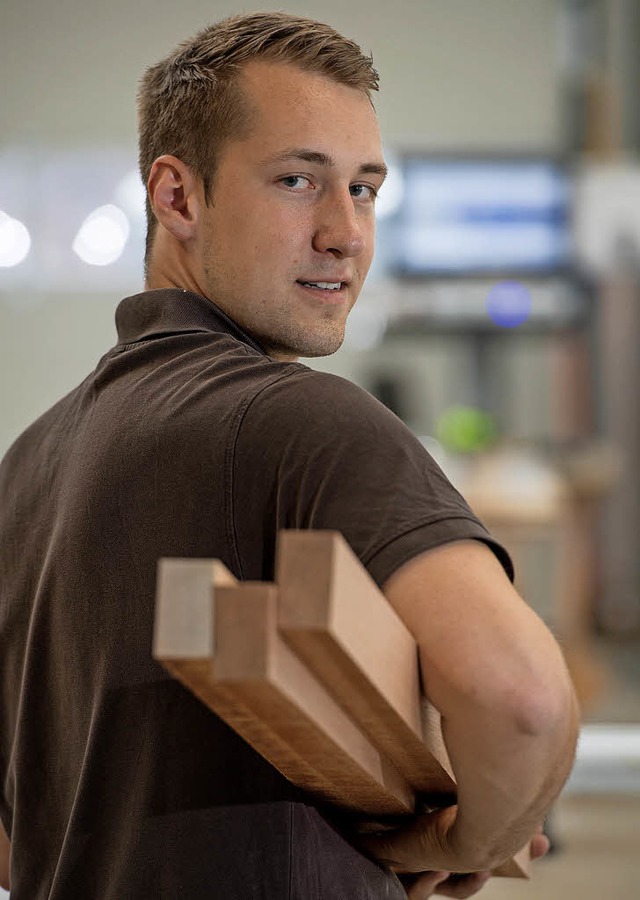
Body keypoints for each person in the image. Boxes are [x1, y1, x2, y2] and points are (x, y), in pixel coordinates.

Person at [0, 11, 579, 899]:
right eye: (298, 180)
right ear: (177, 197)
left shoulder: (30, 462)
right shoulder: (306, 423)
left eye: (366, 190)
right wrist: (460, 844)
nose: (345, 233)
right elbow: (523, 704)